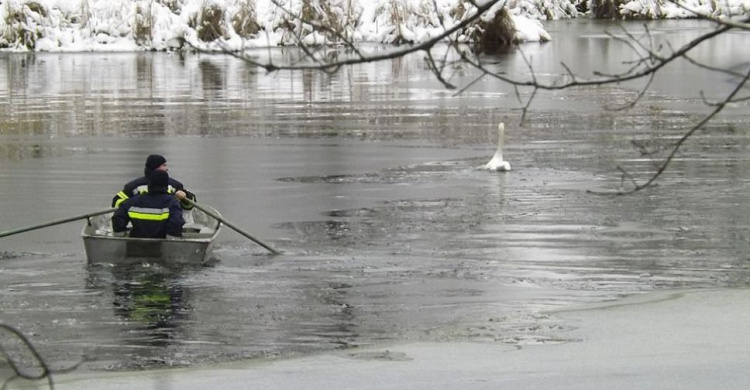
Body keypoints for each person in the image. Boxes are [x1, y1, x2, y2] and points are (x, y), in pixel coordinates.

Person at [112, 170, 185, 239]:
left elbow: (117, 217)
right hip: (161, 247)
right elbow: (176, 223)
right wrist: (171, 242)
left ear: (149, 183)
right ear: (166, 184)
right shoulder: (172, 203)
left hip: (135, 246)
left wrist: (120, 237)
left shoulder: (133, 201)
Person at [111, 154, 195, 209]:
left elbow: (191, 205)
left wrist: (185, 197)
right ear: (155, 168)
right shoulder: (134, 186)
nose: (167, 168)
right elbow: (116, 202)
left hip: (168, 223)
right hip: (140, 224)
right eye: (163, 165)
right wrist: (132, 204)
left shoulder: (175, 185)